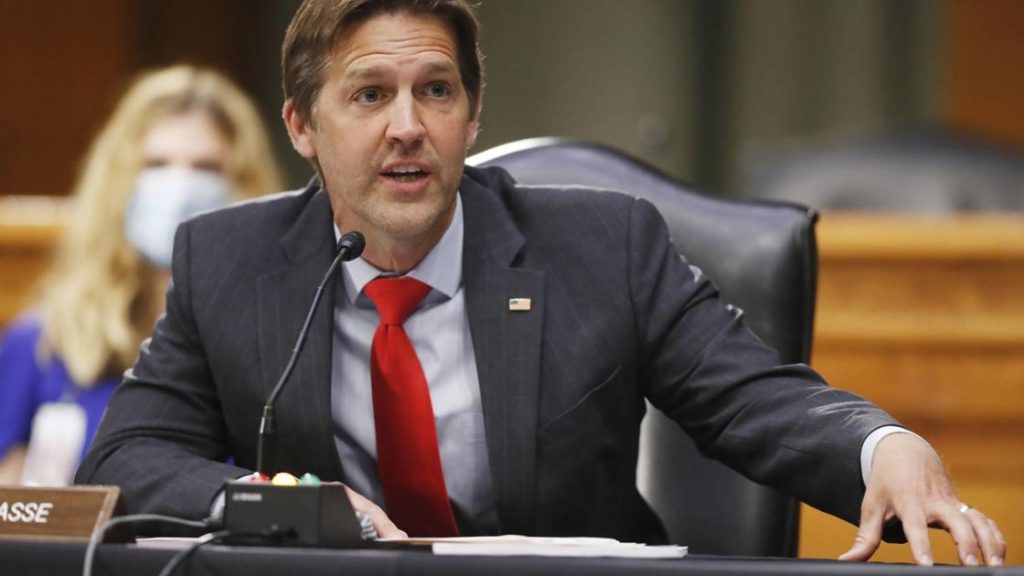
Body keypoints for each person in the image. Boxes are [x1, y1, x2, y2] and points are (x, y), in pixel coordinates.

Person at [76, 0, 1006, 567]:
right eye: (369, 95)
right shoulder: (230, 261)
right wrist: (290, 502)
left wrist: (880, 447)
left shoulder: (602, 247)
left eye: (436, 90)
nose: (408, 126)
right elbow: (128, 458)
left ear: (472, 113)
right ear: (300, 127)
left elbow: (750, 397)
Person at [0, 65, 283, 486]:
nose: (179, 185)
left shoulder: (278, 345)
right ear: (118, 183)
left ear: (245, 187)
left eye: (206, 167)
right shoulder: (41, 343)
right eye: (156, 163)